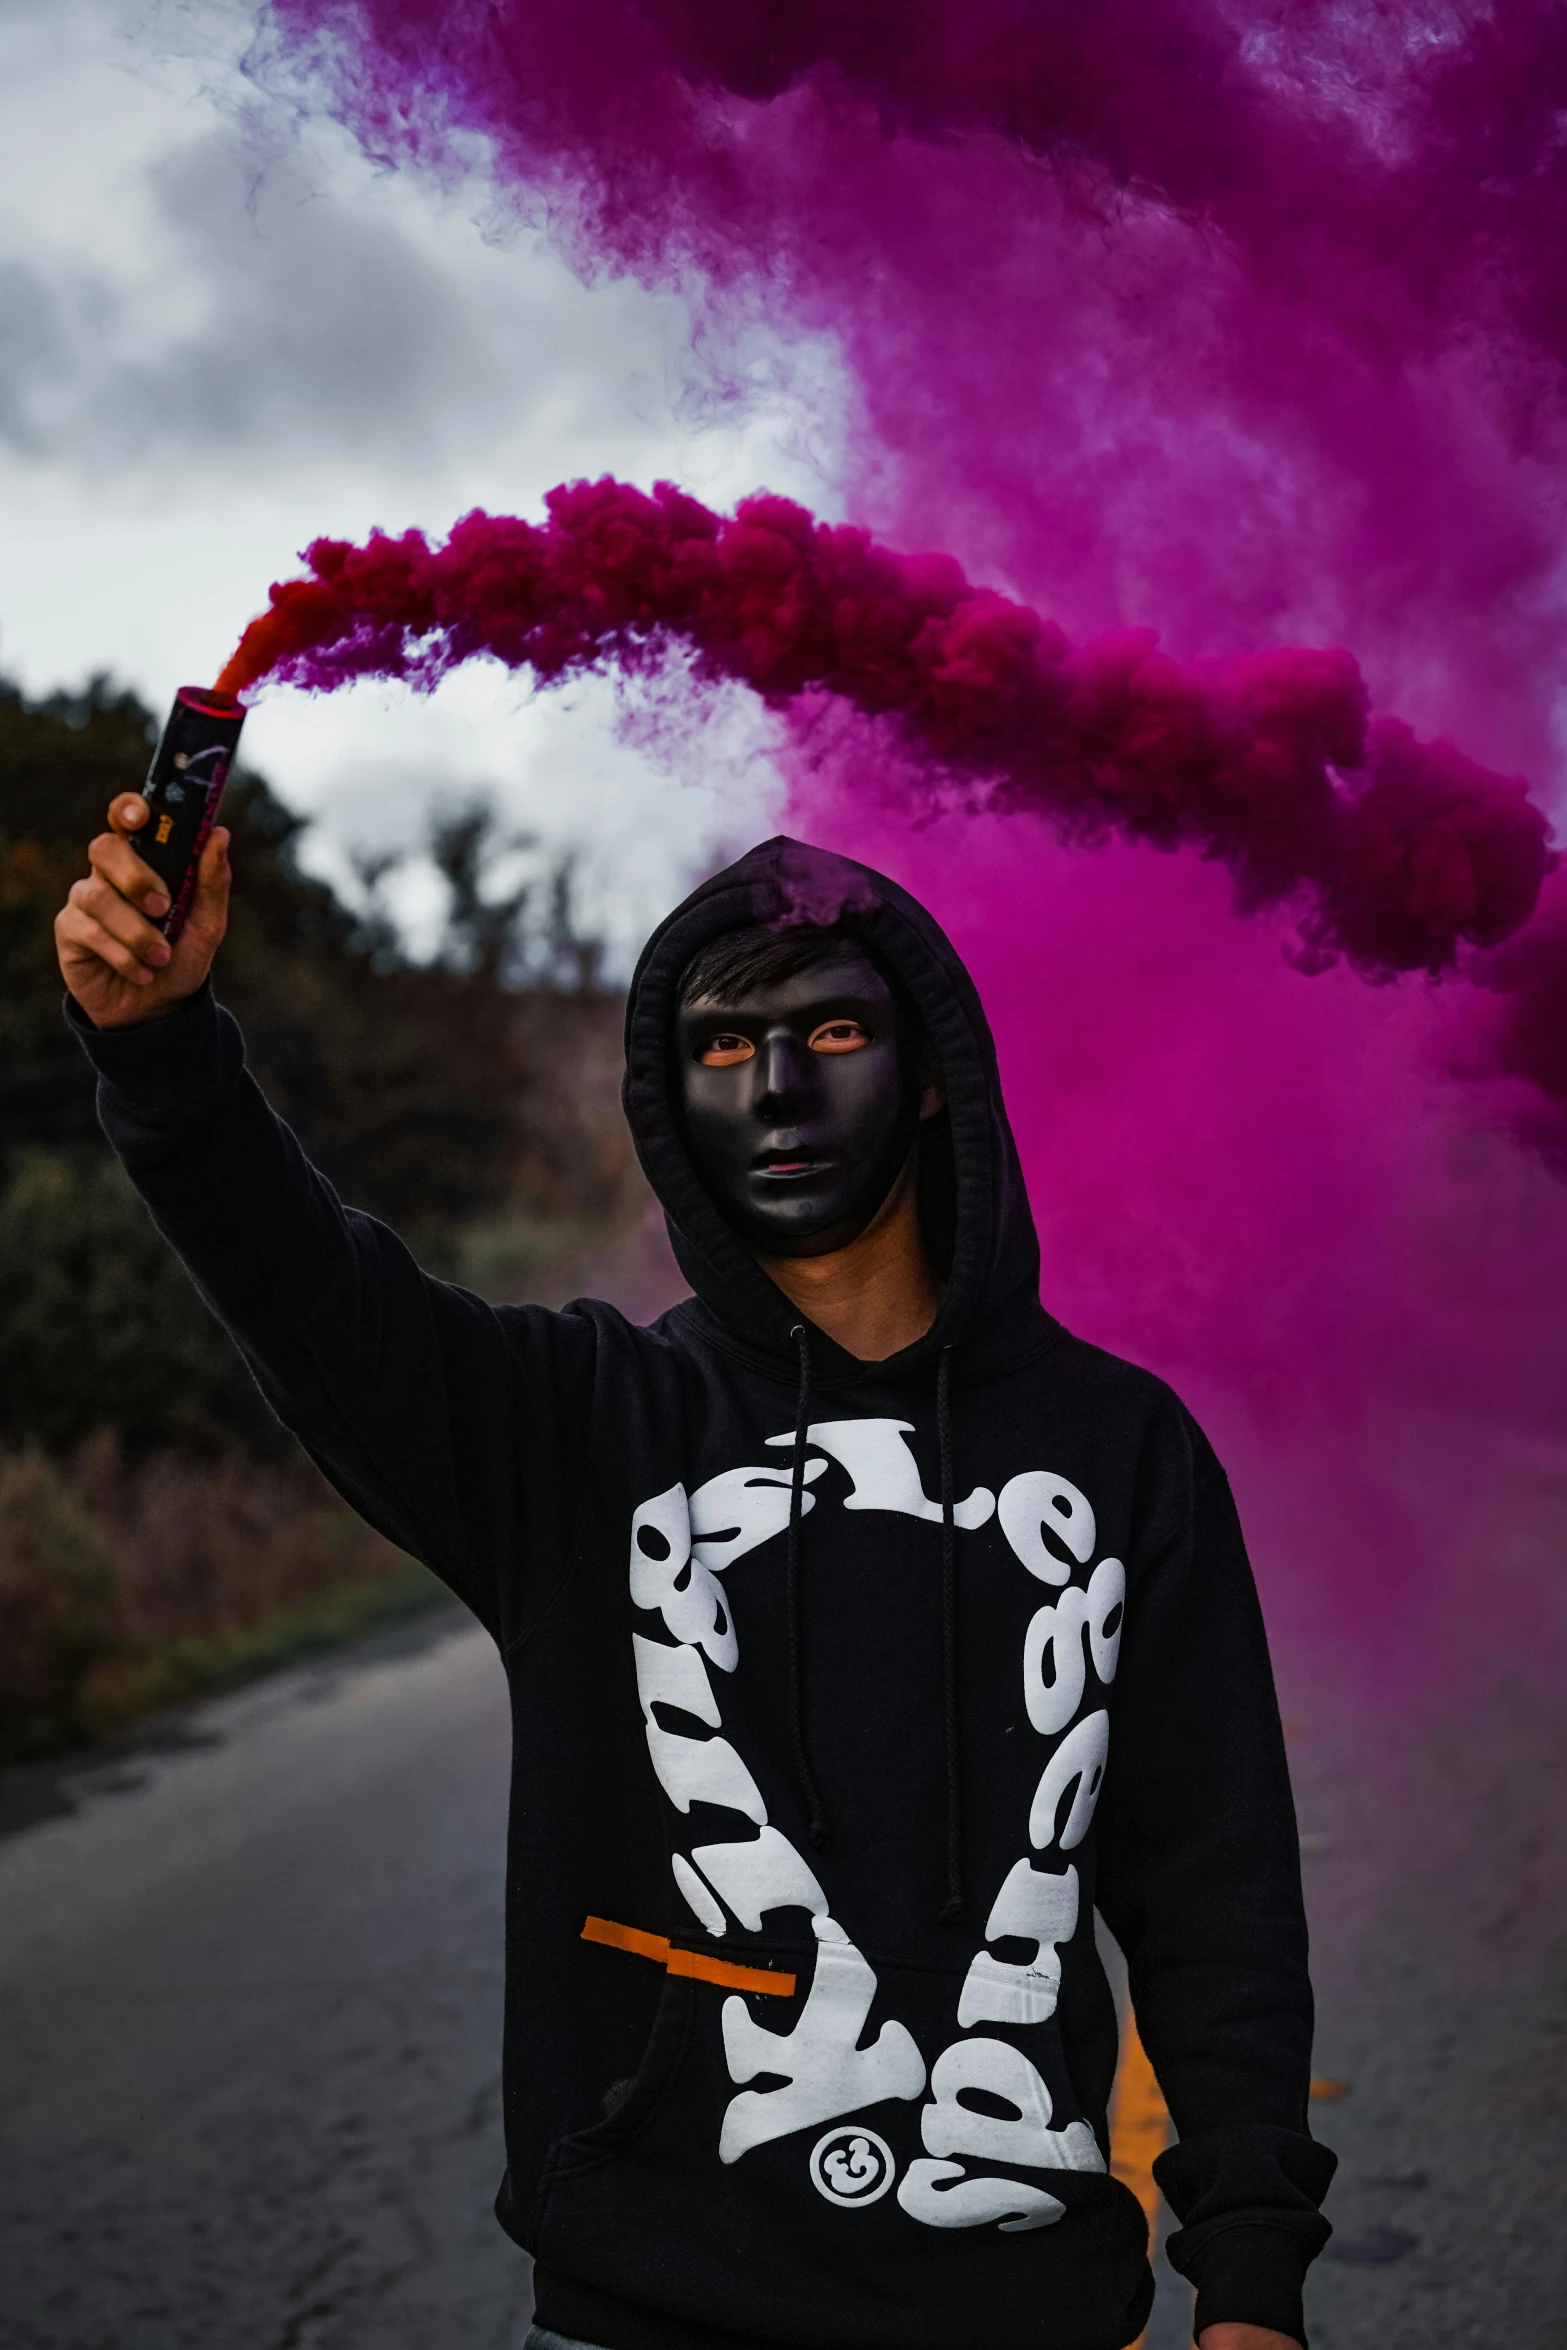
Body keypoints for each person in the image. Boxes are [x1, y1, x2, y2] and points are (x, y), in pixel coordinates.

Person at [56, 796, 1335, 2350]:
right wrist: (164, 1052)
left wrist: (1250, 2282)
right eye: (722, 1051)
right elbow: (314, 1293)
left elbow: (1214, 1883)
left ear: (930, 1072)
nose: (779, 1088)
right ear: (667, 1108)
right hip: (645, 2310)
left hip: (1023, 2304)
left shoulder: (1119, 1446)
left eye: (831, 1030)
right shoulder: (579, 1427)